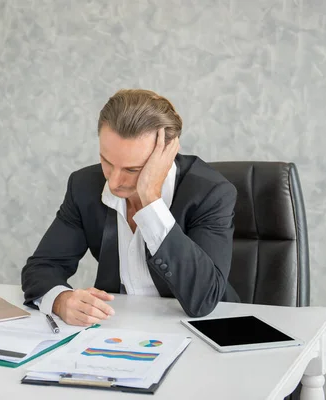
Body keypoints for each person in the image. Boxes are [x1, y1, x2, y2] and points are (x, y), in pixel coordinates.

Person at [21, 89, 240, 326]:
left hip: (205, 328)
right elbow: (42, 267)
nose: (114, 182)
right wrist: (60, 300)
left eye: (132, 170)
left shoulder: (211, 193)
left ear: (166, 155)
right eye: (106, 161)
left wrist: (151, 201)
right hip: (119, 326)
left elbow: (204, 299)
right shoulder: (83, 186)